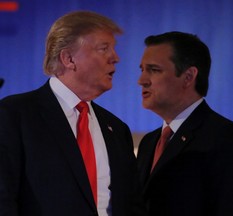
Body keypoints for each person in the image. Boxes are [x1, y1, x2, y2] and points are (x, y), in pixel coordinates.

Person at [0, 11, 137, 216]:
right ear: (68, 58)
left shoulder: (117, 129)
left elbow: (132, 205)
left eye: (113, 49)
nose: (115, 58)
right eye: (103, 48)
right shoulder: (14, 115)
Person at [137, 31, 233, 216]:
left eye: (154, 70)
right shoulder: (148, 143)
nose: (142, 80)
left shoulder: (226, 138)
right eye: (142, 70)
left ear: (188, 76)